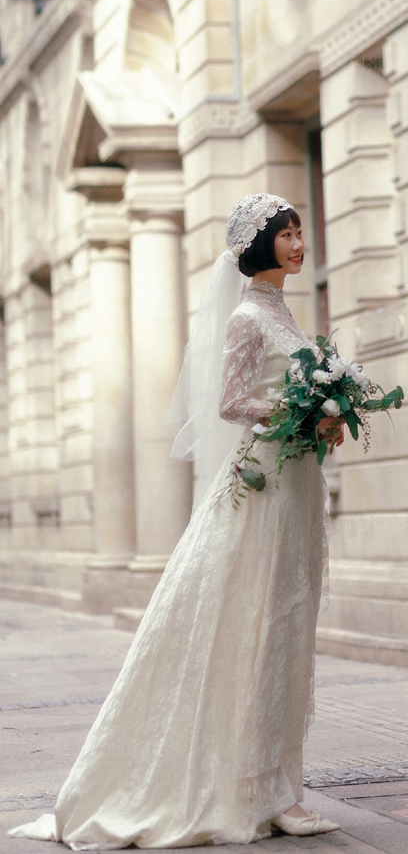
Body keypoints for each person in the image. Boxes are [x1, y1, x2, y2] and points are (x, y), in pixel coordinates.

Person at [10, 194, 342, 848]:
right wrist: (302, 411)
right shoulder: (249, 313)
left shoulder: (282, 309)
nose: (300, 242)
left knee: (284, 624)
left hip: (295, 480)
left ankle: (276, 783)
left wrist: (329, 413)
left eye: (301, 231)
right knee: (257, 624)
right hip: (263, 484)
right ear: (259, 244)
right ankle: (258, 790)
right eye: (287, 233)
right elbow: (231, 400)